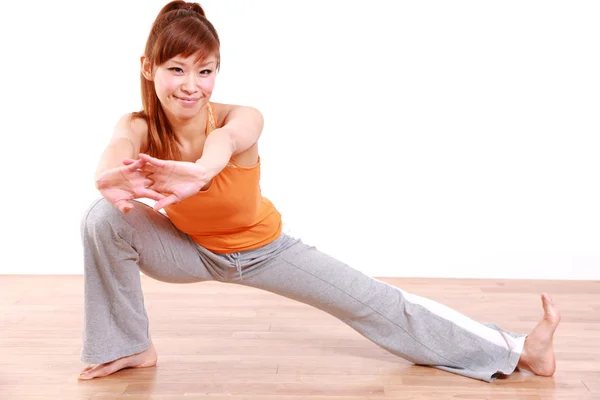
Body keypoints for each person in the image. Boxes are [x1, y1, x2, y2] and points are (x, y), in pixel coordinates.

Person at [78, 0, 561, 382]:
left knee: (378, 302)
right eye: (177, 70)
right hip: (188, 252)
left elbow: (227, 141)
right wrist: (107, 177)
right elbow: (117, 147)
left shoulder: (235, 117)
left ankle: (518, 351)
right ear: (149, 68)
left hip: (263, 250)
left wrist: (201, 172)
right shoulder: (139, 126)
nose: (192, 86)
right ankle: (128, 347)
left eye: (205, 71)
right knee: (101, 217)